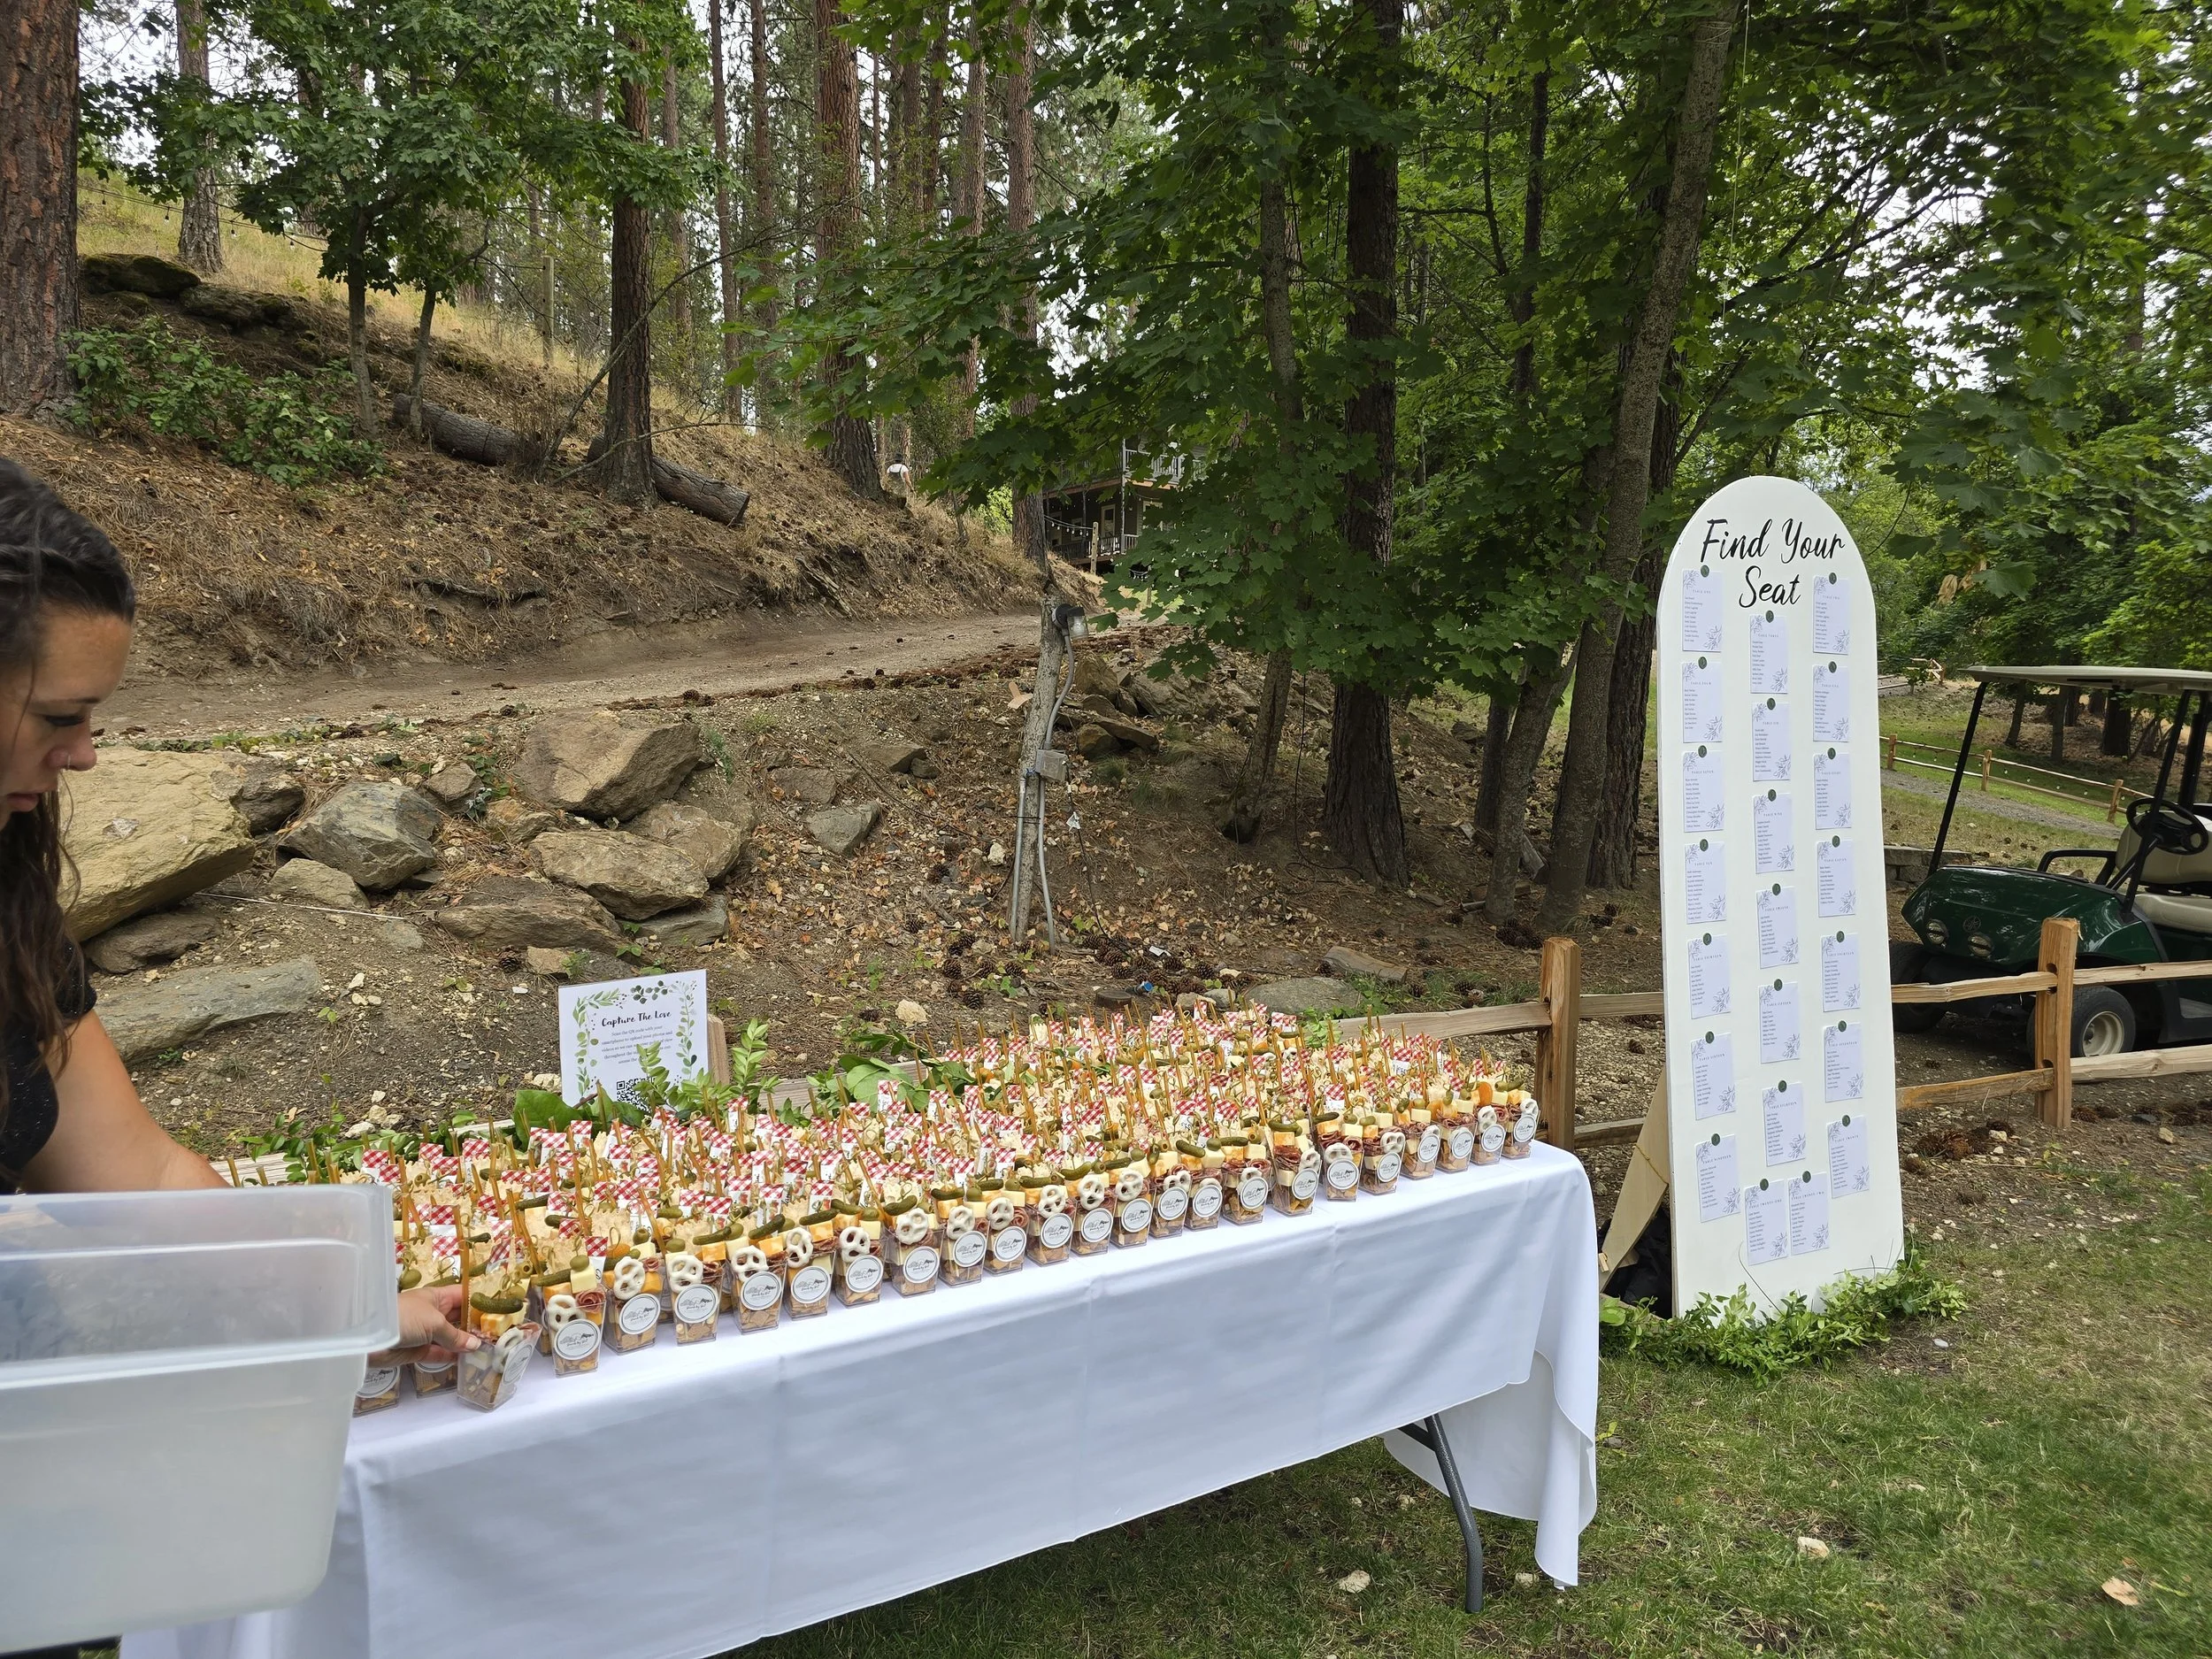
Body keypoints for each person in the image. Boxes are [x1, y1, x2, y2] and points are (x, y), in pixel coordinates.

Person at [0, 455, 475, 1366]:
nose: (87, 755)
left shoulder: (12, 917)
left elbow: (139, 1174)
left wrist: (349, 1304)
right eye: (62, 716)